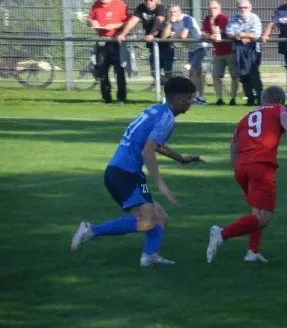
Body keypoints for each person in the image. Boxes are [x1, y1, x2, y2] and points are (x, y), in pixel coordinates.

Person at [70, 76, 203, 267]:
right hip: (124, 175)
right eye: (190, 98)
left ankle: (150, 256)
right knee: (147, 221)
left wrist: (181, 159)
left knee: (160, 217)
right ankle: (90, 230)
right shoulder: (167, 119)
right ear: (179, 100)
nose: (192, 103)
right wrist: (162, 185)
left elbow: (154, 144)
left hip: (124, 173)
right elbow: (147, 151)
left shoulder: (156, 110)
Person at [206, 85, 287, 264]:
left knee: (256, 210)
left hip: (242, 166)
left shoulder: (246, 116)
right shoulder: (280, 109)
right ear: (280, 101)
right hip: (261, 166)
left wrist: (235, 168)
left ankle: (252, 251)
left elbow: (234, 145)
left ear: (262, 101)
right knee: (263, 219)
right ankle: (222, 234)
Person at [117, 0, 174, 82]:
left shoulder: (161, 9)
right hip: (152, 44)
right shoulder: (141, 8)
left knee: (168, 73)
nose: (148, 2)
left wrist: (151, 34)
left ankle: (173, 89)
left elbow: (159, 22)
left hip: (164, 43)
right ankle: (170, 87)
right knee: (154, 72)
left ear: (156, 0)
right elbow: (132, 21)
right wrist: (122, 34)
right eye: (146, 0)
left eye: (151, 0)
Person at [87, 0, 129, 104]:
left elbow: (127, 22)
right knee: (102, 70)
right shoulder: (96, 5)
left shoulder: (120, 5)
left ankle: (121, 97)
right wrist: (92, 22)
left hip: (116, 40)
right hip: (102, 40)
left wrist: (113, 26)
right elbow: (89, 19)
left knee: (119, 70)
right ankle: (106, 97)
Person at [162, 5, 208, 105]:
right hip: (191, 49)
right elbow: (164, 37)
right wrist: (170, 23)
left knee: (193, 72)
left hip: (200, 47)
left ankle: (195, 98)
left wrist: (173, 37)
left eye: (174, 12)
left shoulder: (187, 19)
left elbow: (183, 35)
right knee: (197, 74)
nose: (172, 14)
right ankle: (201, 97)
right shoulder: (172, 22)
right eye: (170, 12)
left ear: (179, 12)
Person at [226, 0, 263, 106]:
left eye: (245, 7)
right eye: (240, 8)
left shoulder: (254, 18)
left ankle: (260, 97)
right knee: (243, 75)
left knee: (253, 74)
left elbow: (256, 34)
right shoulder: (234, 18)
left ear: (250, 8)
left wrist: (239, 35)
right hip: (239, 51)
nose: (243, 10)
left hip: (253, 50)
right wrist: (242, 36)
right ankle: (249, 98)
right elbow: (228, 32)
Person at [202, 0, 239, 106]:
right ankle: (219, 98)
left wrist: (212, 22)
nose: (212, 11)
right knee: (216, 75)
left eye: (215, 8)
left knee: (234, 76)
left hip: (229, 51)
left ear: (220, 9)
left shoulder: (223, 18)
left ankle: (233, 98)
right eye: (210, 8)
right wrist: (209, 36)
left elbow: (218, 33)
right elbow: (204, 34)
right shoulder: (206, 19)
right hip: (217, 52)